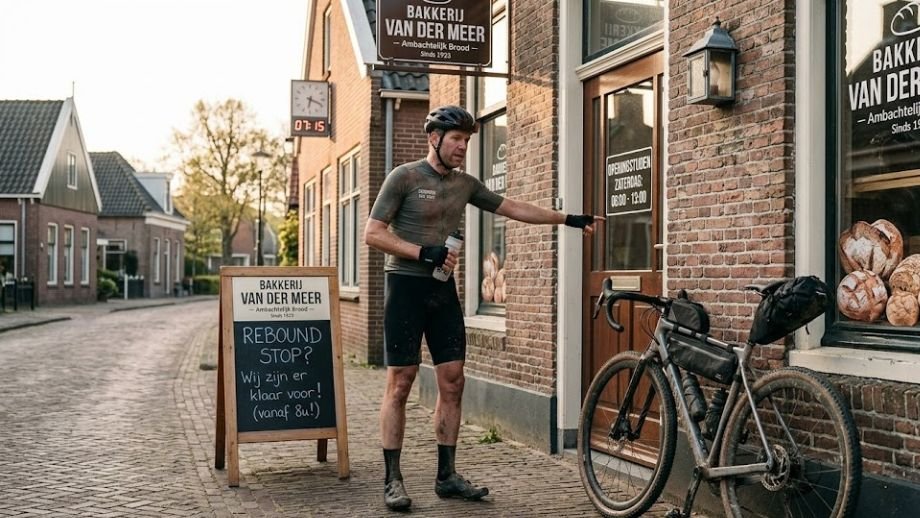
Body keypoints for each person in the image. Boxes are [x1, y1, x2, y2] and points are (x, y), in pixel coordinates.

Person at [364, 105, 602, 511]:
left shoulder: (466, 184)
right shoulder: (403, 177)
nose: (463, 147)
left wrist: (569, 219)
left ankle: (447, 476)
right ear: (434, 139)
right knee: (400, 382)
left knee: (453, 380)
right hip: (404, 287)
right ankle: (393, 479)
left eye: (468, 140)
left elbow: (513, 208)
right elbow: (373, 233)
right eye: (456, 139)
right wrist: (423, 253)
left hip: (443, 292)